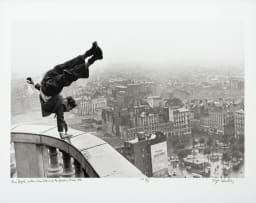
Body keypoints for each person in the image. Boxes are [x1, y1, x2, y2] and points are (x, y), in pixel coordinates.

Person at [26, 41, 103, 139]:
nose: (68, 110)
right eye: (70, 109)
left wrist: (33, 83)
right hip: (48, 85)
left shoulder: (60, 104)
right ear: (67, 104)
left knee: (66, 71)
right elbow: (60, 118)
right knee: (66, 70)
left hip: (47, 86)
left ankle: (92, 57)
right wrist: (62, 133)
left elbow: (60, 118)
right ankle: (92, 55)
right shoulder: (61, 105)